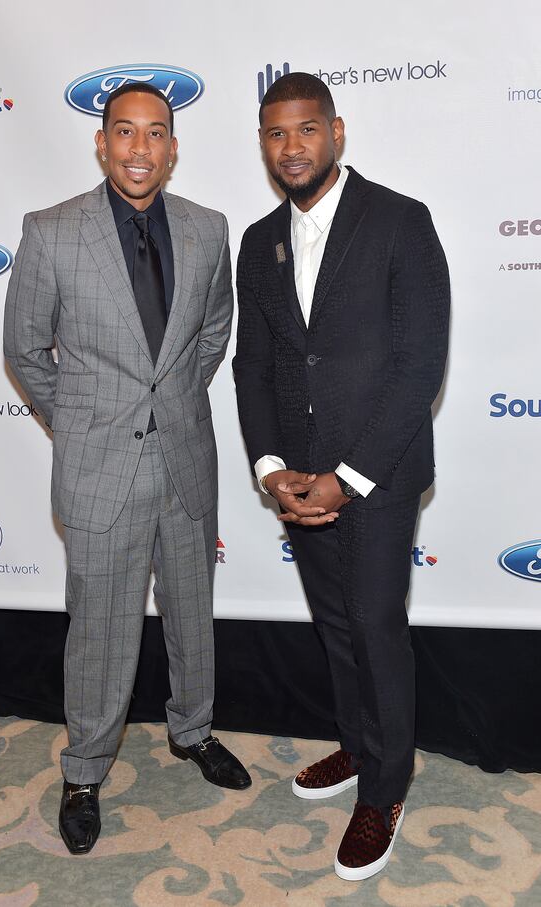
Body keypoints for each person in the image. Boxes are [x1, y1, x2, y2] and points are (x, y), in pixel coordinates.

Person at [4, 82, 251, 856]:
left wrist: (168, 399)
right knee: (99, 631)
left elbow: (212, 335)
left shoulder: (209, 231)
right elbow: (23, 351)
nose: (140, 149)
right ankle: (83, 771)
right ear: (102, 143)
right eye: (125, 133)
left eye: (155, 134)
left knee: (192, 613)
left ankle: (194, 730)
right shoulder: (49, 232)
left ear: (173, 148)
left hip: (184, 456)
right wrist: (75, 422)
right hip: (98, 467)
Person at [233, 72, 449, 881]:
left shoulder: (400, 220)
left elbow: (420, 365)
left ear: (337, 131)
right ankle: (361, 746)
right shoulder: (260, 241)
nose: (291, 148)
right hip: (297, 481)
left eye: (306, 130)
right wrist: (270, 467)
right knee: (334, 625)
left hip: (379, 476)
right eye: (275, 134)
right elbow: (253, 364)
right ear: (263, 143)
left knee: (374, 624)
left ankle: (387, 788)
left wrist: (349, 476)